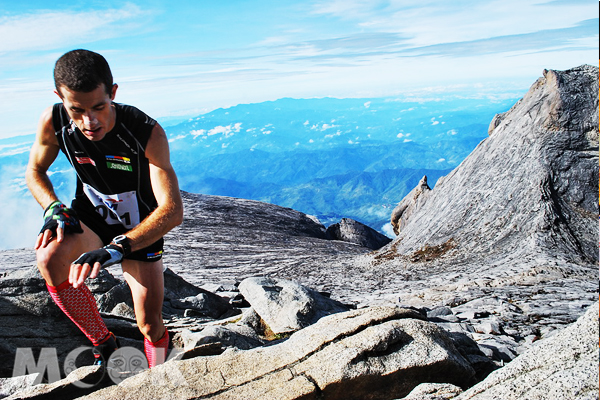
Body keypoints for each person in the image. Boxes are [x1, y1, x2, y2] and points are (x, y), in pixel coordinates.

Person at [25, 49, 183, 368]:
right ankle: (104, 344)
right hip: (92, 216)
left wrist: (117, 249)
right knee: (49, 256)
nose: (89, 121)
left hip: (141, 227)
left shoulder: (144, 130)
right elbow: (35, 171)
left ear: (113, 93)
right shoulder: (53, 122)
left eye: (98, 106)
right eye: (77, 109)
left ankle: (159, 378)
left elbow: (172, 210)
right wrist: (52, 207)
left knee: (150, 326)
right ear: (60, 98)